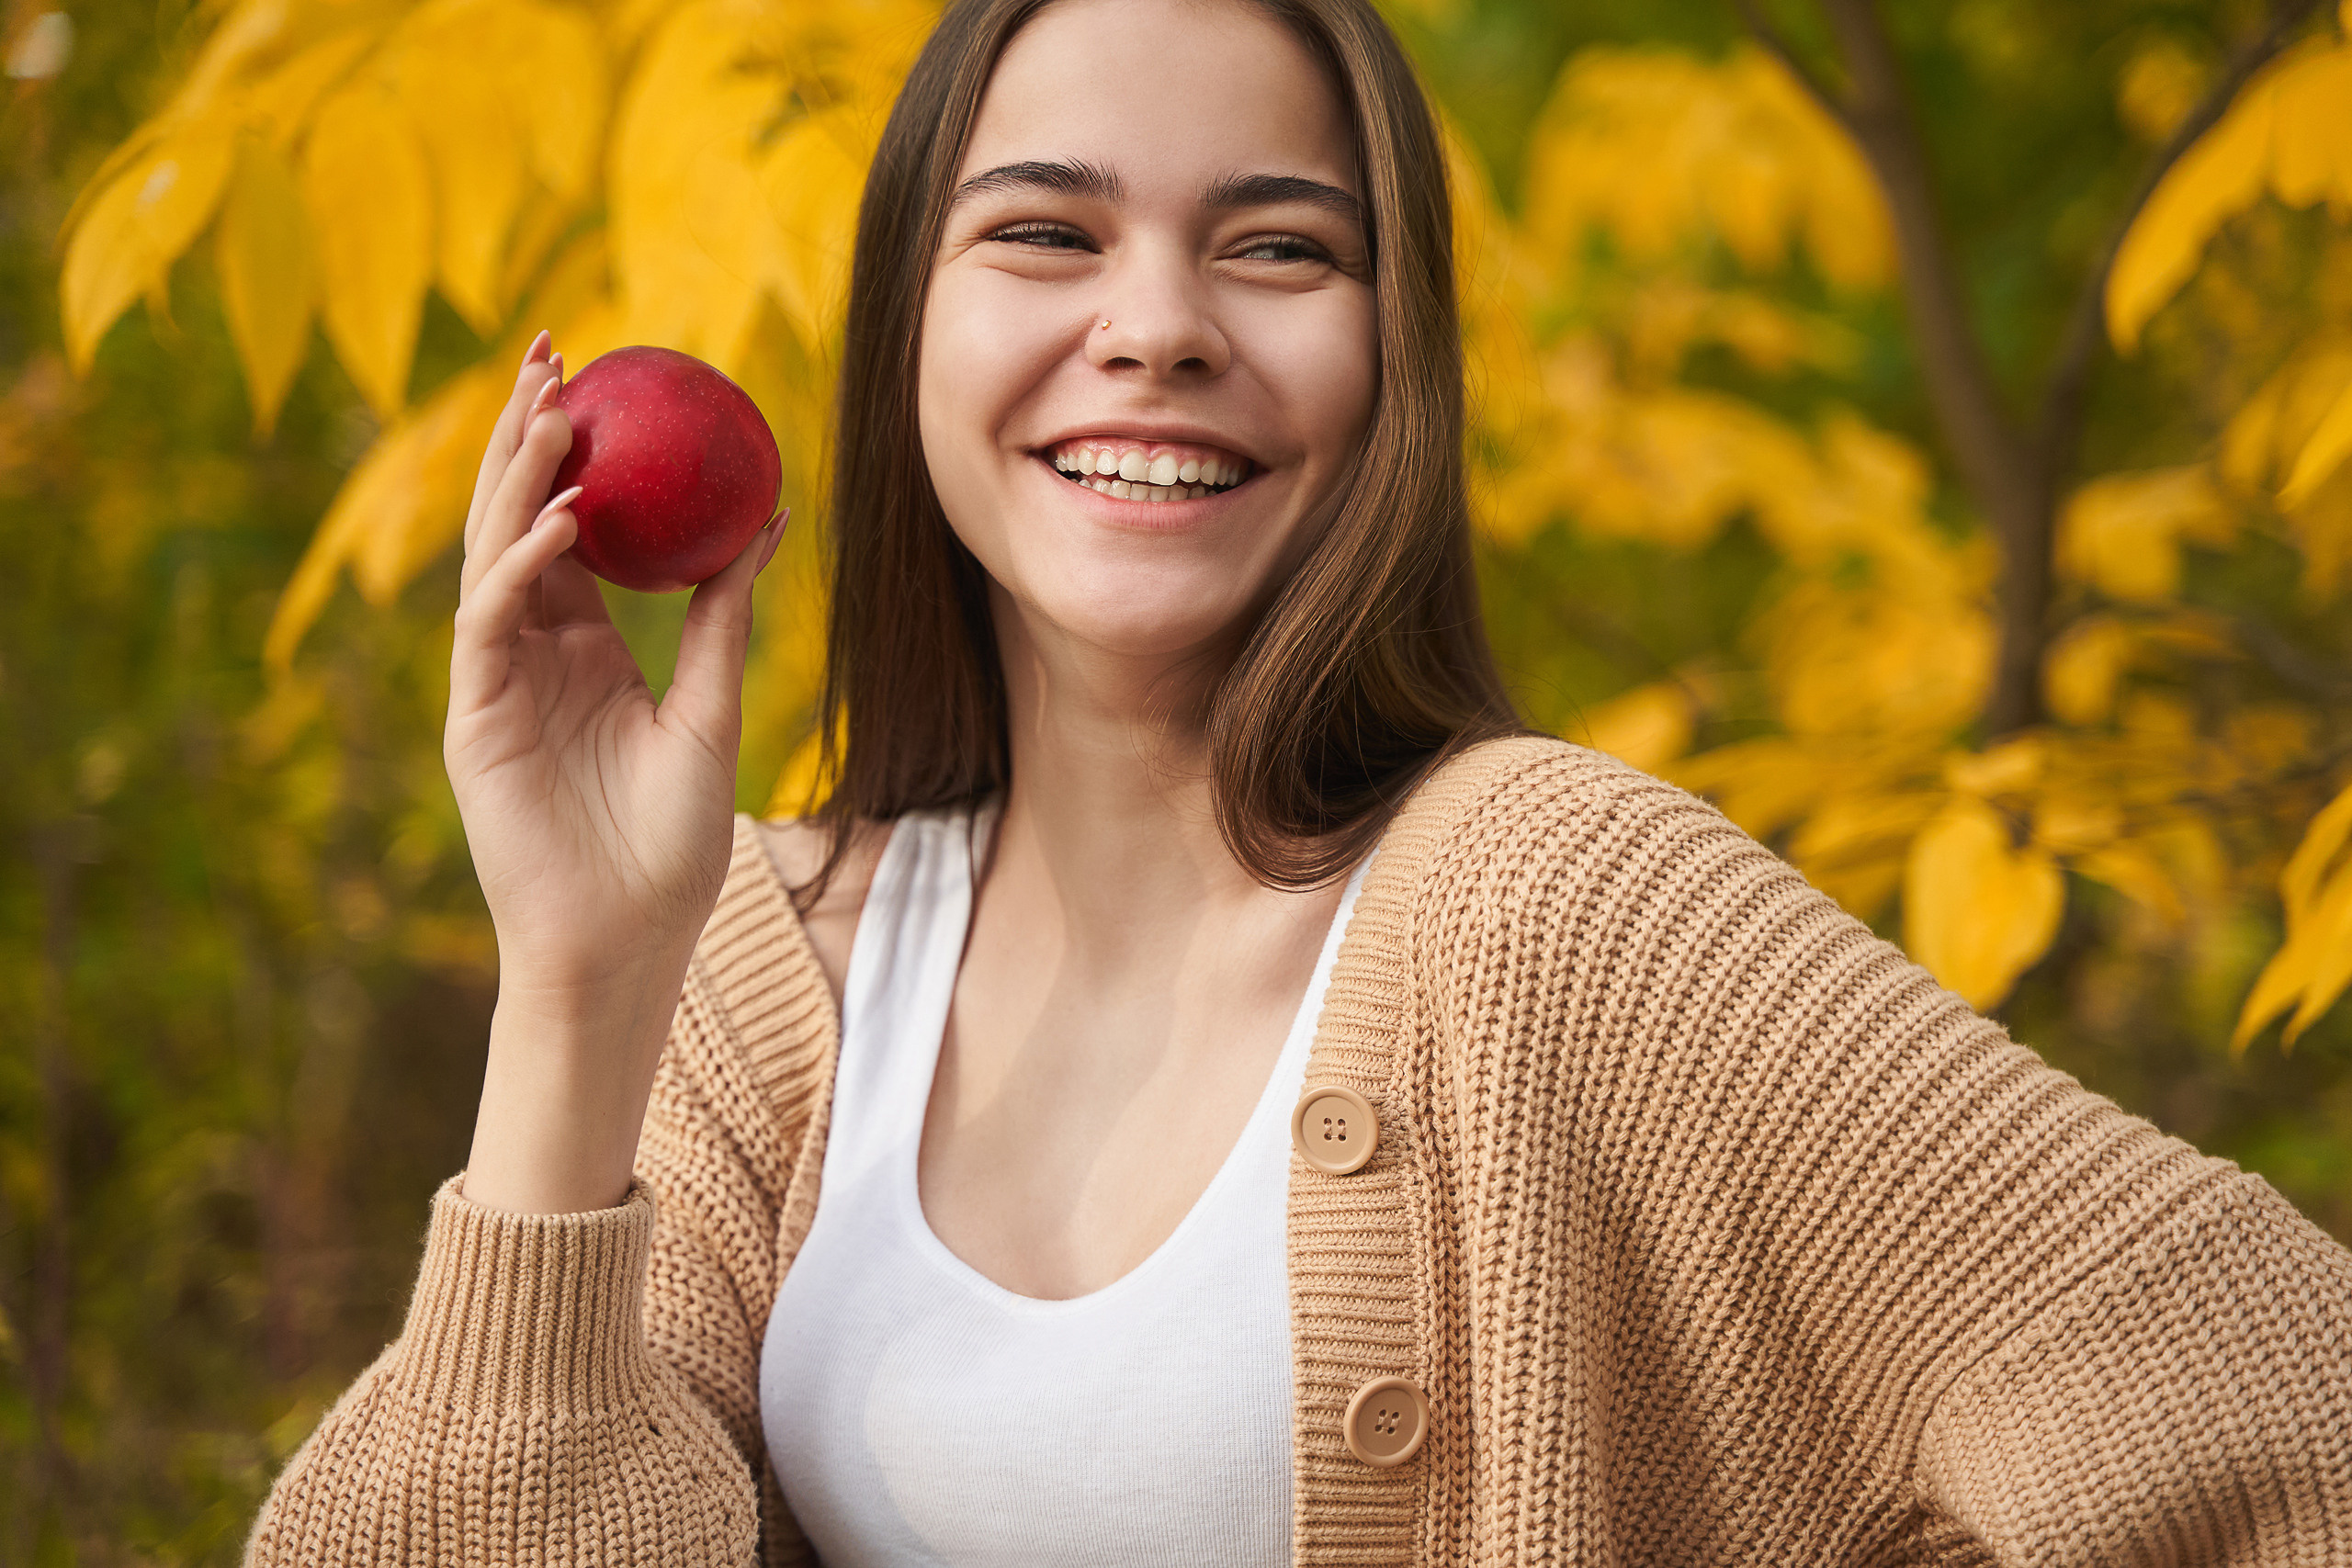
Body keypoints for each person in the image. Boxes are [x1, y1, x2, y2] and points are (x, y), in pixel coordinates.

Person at [243, 0, 2352, 1561]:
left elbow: (2281, 1400)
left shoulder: (1561, 906)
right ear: (906, 329)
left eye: (1276, 247)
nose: (1154, 324)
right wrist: (579, 986)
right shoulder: (762, 981)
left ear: (1393, 359)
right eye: (1045, 235)